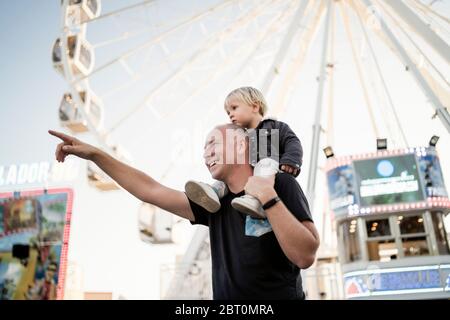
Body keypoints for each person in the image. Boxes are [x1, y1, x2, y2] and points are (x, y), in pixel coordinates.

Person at [48, 123, 319, 300]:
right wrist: (96, 154)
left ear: (239, 145)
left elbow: (306, 255)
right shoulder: (214, 204)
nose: (206, 153)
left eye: (212, 143)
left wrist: (268, 197)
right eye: (203, 148)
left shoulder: (280, 184)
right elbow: (150, 190)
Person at [185, 87, 303, 219]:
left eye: (234, 108)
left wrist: (291, 161)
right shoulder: (241, 136)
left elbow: (292, 142)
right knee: (227, 176)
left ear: (255, 106)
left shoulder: (273, 126)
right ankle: (212, 193)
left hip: (269, 169)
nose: (230, 114)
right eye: (228, 112)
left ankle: (255, 200)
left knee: (265, 164)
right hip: (247, 173)